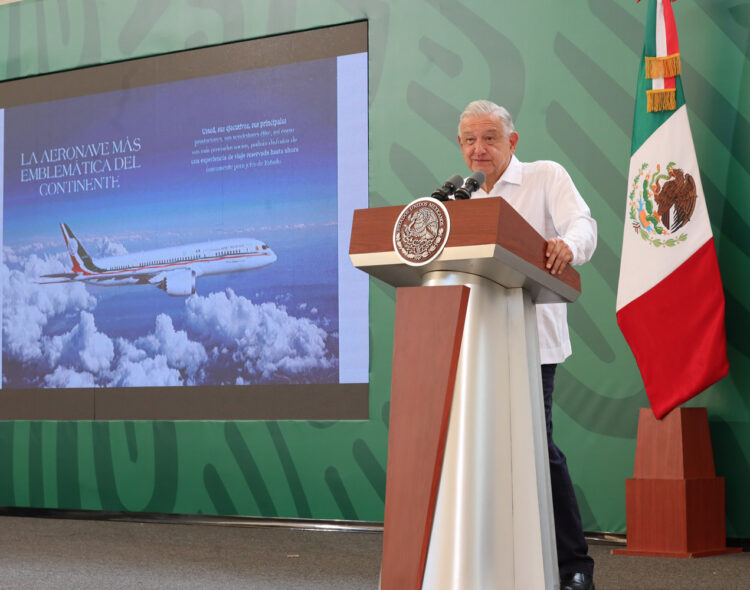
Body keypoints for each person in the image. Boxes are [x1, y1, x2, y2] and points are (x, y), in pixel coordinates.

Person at [456, 100, 597, 590]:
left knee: (538, 449)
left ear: (511, 142)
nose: (479, 148)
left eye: (489, 137)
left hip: (532, 341)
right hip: (476, 346)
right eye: (470, 139)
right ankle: (494, 562)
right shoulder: (459, 199)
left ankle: (573, 567)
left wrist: (567, 246)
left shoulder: (545, 176)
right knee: (482, 451)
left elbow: (584, 225)